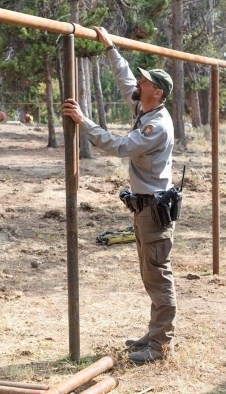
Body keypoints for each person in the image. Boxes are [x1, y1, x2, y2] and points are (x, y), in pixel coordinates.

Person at [62, 26, 177, 365]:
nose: (137, 85)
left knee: (158, 274)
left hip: (153, 210)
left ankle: (159, 346)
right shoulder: (147, 108)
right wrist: (110, 46)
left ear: (155, 91)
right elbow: (126, 79)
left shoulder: (157, 125)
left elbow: (120, 146)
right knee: (150, 273)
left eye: (144, 83)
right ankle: (154, 336)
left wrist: (84, 121)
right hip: (145, 207)